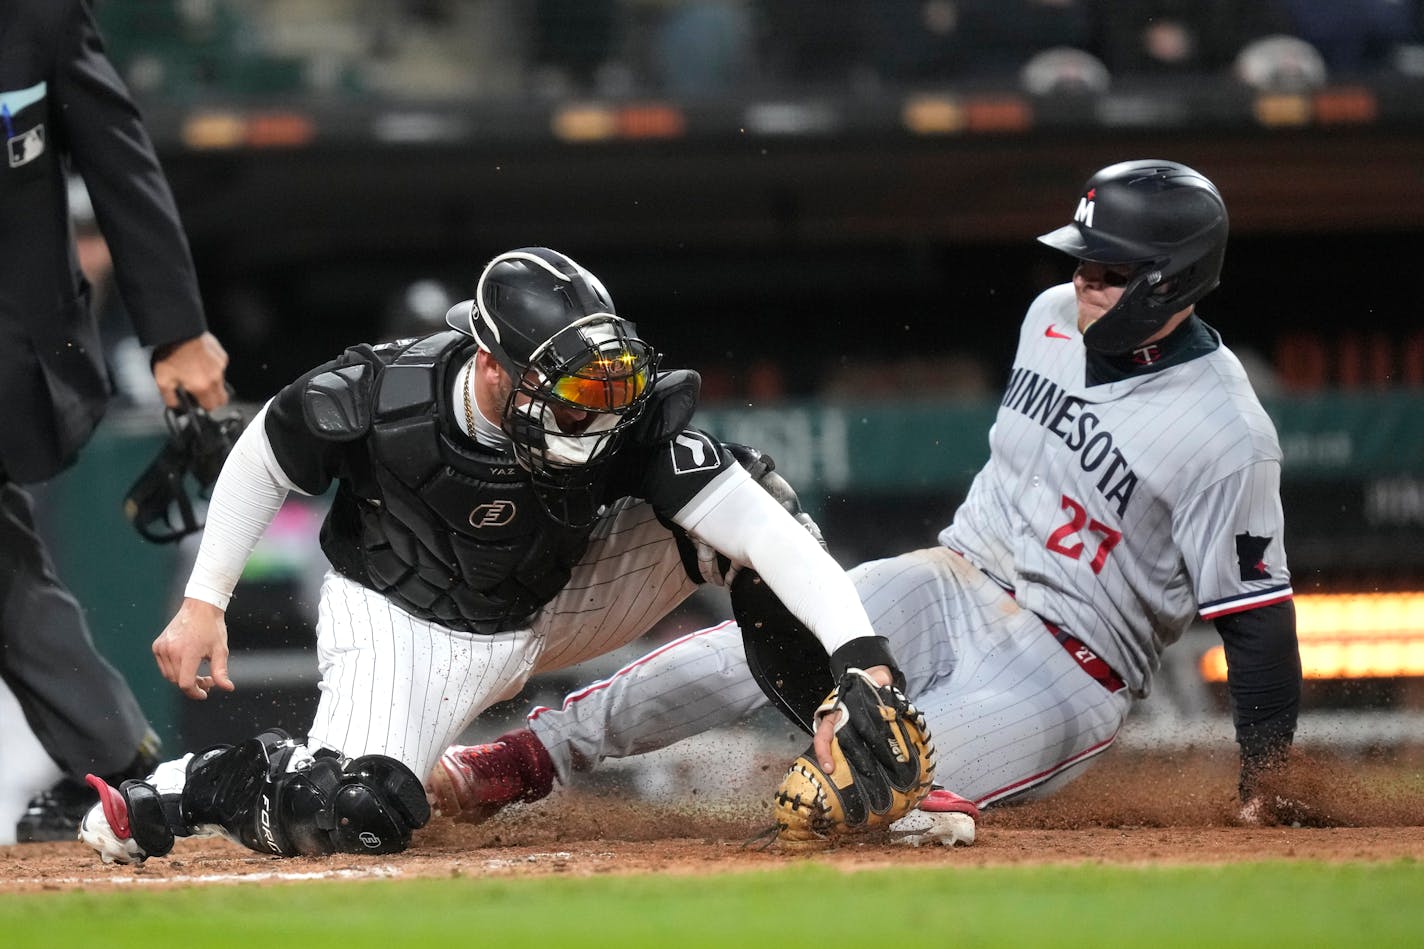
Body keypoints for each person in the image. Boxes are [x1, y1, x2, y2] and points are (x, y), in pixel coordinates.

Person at [429, 160, 1303, 837]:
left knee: (853, 799)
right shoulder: (1049, 316)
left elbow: (1257, 618)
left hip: (1066, 663)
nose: (1082, 282)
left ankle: (928, 825)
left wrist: (1266, 786)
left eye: (1108, 271)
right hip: (953, 577)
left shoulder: (1224, 433)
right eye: (1081, 262)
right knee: (740, 653)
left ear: (1171, 280)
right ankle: (525, 756)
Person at [79, 246, 912, 865]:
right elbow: (263, 451)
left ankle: (854, 761)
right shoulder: (375, 394)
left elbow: (760, 529)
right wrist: (205, 598)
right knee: (358, 810)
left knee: (766, 505)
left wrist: (864, 663)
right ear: (491, 364)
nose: (593, 417)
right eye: (571, 396)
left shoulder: (614, 419)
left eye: (601, 393)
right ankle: (201, 784)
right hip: (409, 625)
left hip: (563, 590)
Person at [1, 0, 230, 842]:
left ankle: (123, 766)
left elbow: (118, 161)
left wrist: (175, 331)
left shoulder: (35, 16)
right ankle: (125, 767)